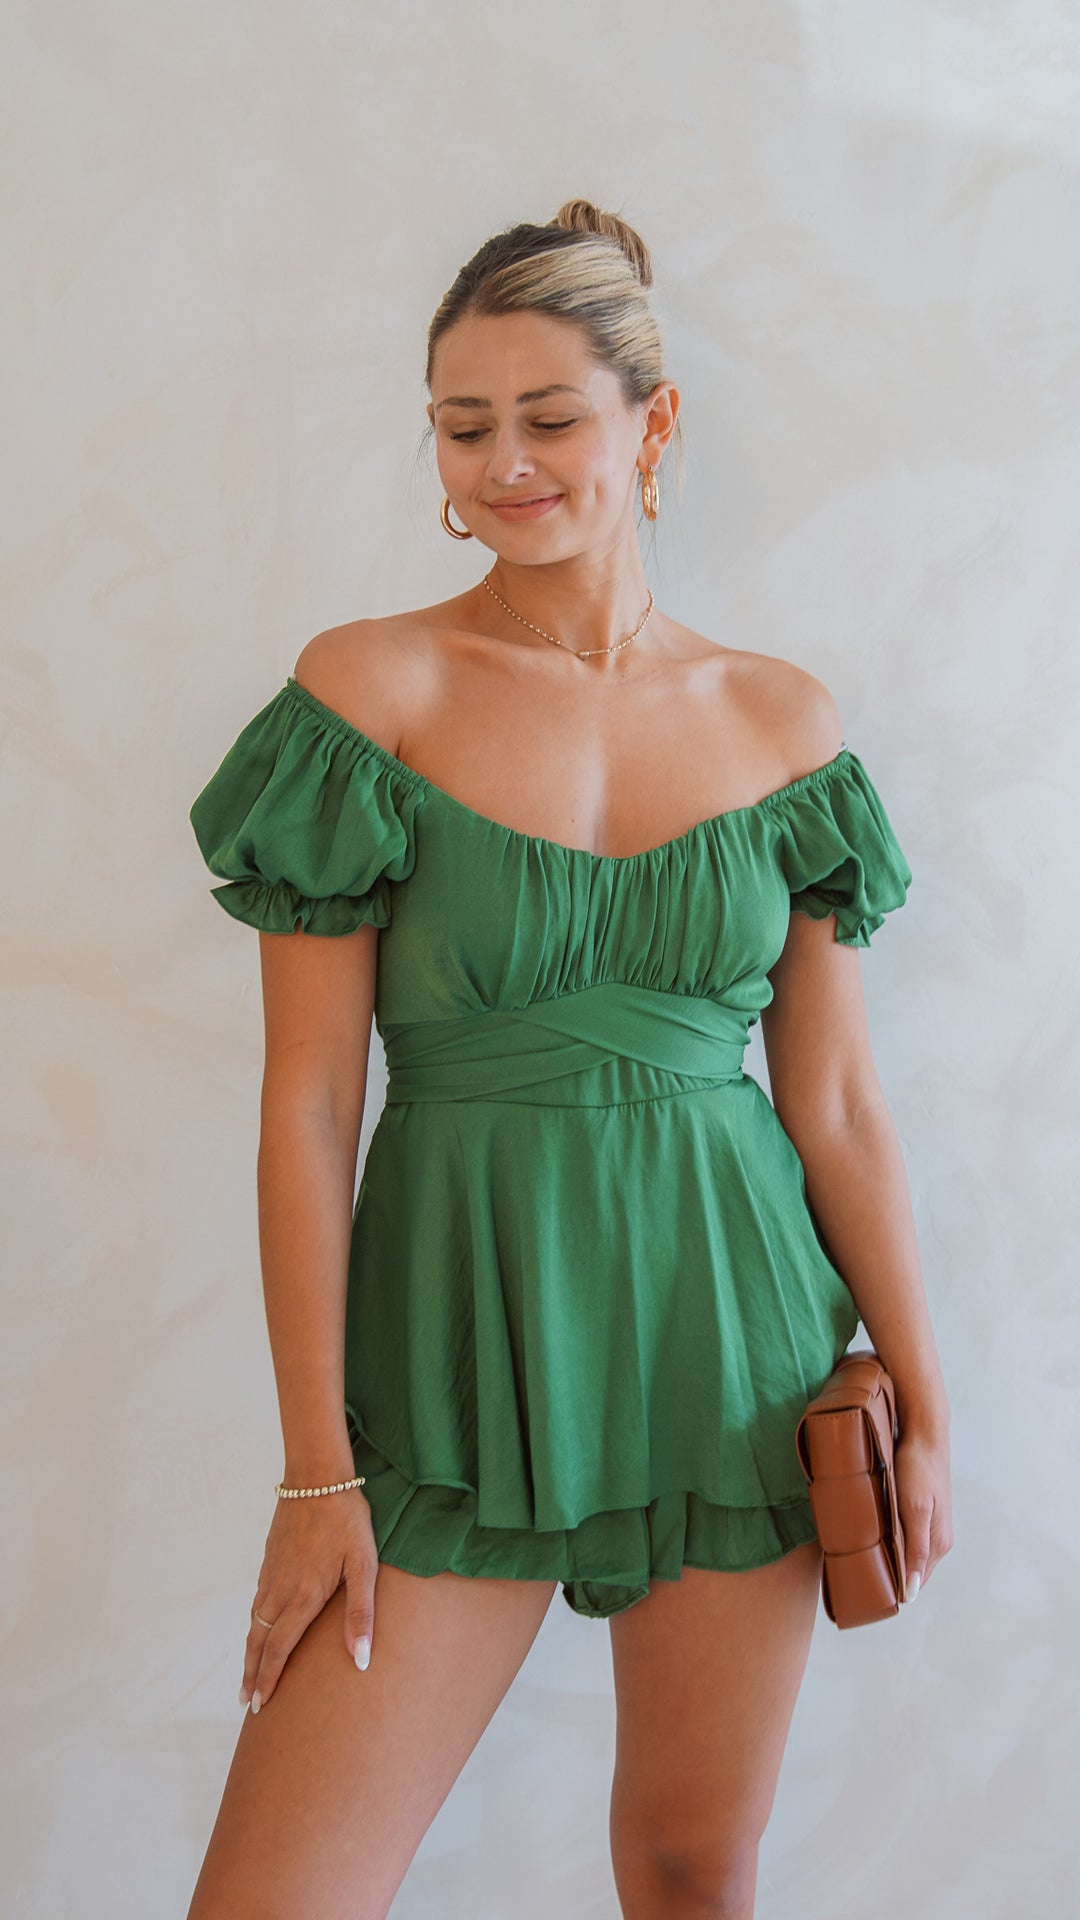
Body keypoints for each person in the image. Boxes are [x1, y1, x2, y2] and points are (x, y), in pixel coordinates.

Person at [184, 198, 953, 1920]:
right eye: (466, 427)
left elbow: (835, 1102)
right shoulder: (370, 693)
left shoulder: (782, 723)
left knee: (689, 1869)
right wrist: (314, 1470)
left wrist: (926, 1394)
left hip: (733, 1350)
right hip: (451, 1363)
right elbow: (308, 1105)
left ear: (652, 424)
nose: (506, 464)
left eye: (549, 418)